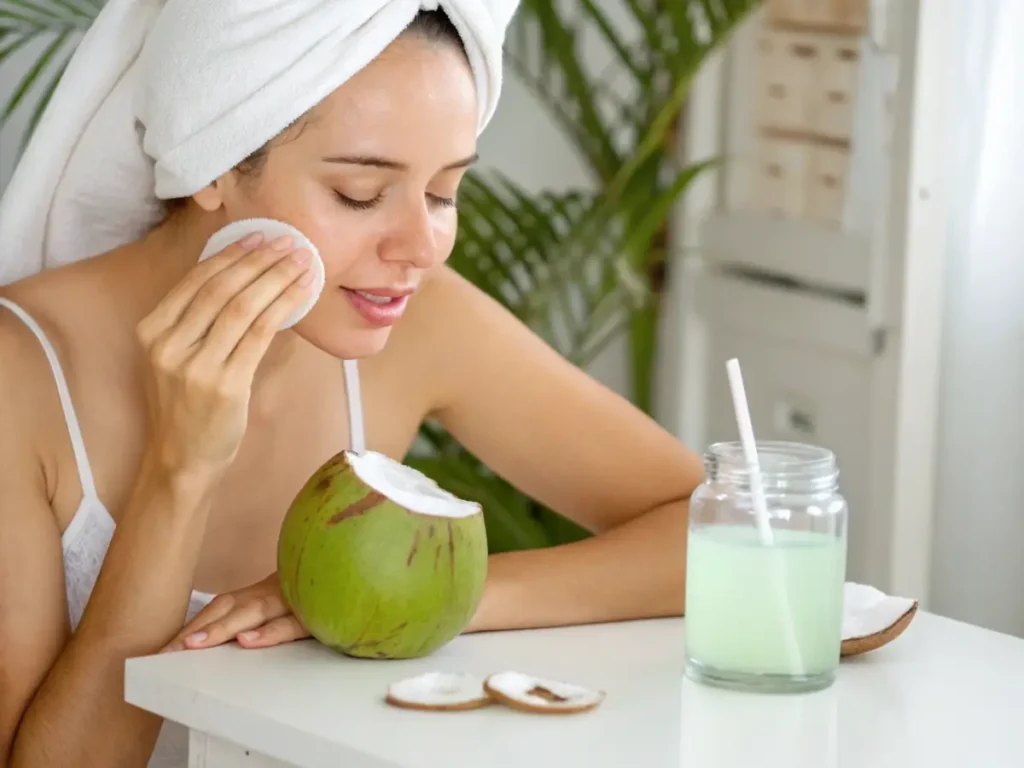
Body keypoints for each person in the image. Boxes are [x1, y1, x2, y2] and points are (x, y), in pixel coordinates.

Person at [0, 2, 703, 767]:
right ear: (218, 167)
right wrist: (180, 469)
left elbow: (727, 533)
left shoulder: (422, 325)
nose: (421, 247)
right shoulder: (20, 375)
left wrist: (430, 606)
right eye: (360, 194)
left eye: (443, 193)